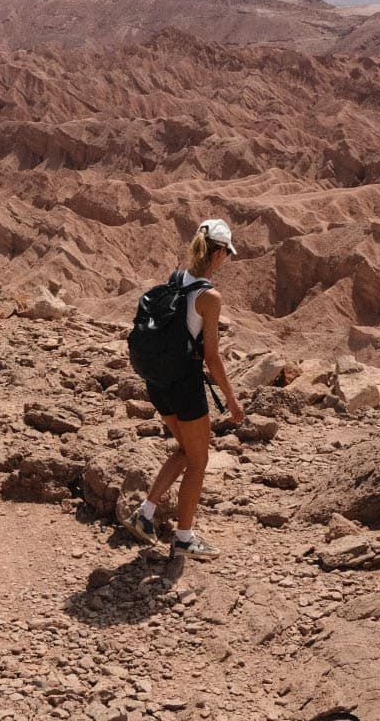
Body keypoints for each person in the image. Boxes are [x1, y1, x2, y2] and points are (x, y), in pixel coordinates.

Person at [126, 219, 244, 560]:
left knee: (186, 449)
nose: (226, 260)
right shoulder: (209, 296)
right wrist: (232, 400)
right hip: (185, 385)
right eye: (227, 254)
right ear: (219, 252)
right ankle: (184, 538)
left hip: (158, 382)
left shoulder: (176, 280)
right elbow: (212, 357)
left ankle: (145, 515)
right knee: (199, 459)